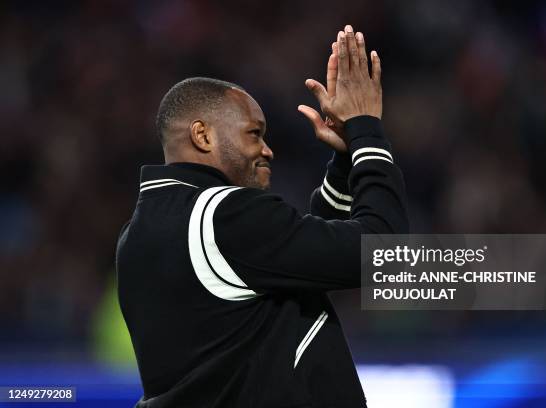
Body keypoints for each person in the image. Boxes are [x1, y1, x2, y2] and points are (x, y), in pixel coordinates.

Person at [116, 25, 409, 408]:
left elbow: (301, 266)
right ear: (203, 136)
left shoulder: (139, 233)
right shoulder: (223, 215)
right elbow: (381, 253)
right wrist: (367, 134)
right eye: (254, 133)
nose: (268, 150)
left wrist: (343, 163)